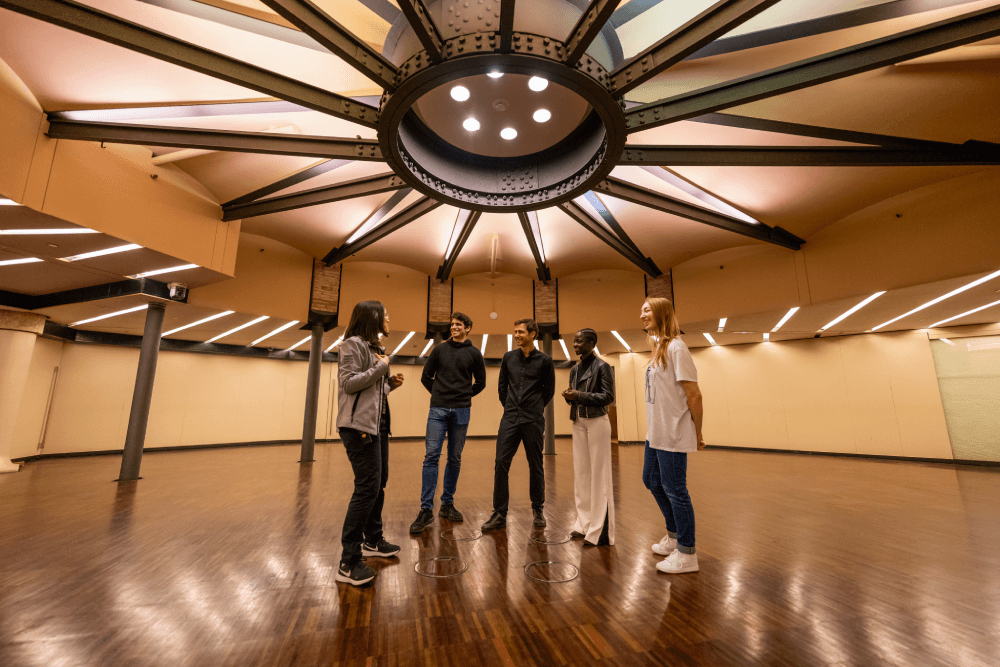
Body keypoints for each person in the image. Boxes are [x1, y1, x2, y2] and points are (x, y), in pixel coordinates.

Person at [334, 301, 404, 586]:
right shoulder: (352, 345)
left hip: (377, 426)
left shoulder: (374, 348)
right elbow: (349, 384)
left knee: (378, 483)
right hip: (357, 428)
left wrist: (390, 385)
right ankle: (348, 562)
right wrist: (382, 368)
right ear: (372, 317)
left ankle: (373, 541)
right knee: (366, 487)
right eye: (385, 314)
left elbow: (371, 392)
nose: (389, 318)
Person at [640, 297, 705, 574]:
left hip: (674, 433)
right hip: (655, 433)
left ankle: (687, 553)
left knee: (676, 490)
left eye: (646, 310)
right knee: (652, 481)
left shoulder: (677, 348)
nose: (641, 315)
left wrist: (698, 431)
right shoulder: (658, 349)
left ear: (662, 312)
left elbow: (694, 394)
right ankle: (675, 536)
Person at [409, 312, 487, 533]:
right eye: (452, 325)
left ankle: (447, 504)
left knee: (455, 457)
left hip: (462, 410)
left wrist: (464, 395)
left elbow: (481, 382)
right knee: (431, 456)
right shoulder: (440, 350)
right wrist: (440, 394)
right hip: (438, 409)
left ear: (468, 328)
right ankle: (425, 509)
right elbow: (426, 376)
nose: (454, 327)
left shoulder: (474, 353)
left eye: (458, 325)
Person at [482, 319, 555, 531]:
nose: (516, 335)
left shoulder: (545, 361)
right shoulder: (508, 358)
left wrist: (534, 408)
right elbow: (502, 387)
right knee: (501, 463)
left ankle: (538, 508)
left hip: (533, 419)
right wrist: (510, 406)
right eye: (515, 331)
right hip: (510, 418)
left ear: (533, 334)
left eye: (520, 332)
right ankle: (499, 512)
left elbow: (548, 391)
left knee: (536, 464)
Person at [562, 329, 616, 546]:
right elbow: (576, 396)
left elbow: (608, 397)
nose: (575, 344)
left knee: (599, 475)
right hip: (579, 422)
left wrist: (580, 396)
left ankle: (599, 530)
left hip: (597, 423)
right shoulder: (574, 369)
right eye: (574, 341)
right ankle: (583, 524)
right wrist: (570, 397)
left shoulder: (602, 366)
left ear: (592, 343)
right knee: (582, 474)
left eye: (579, 341)